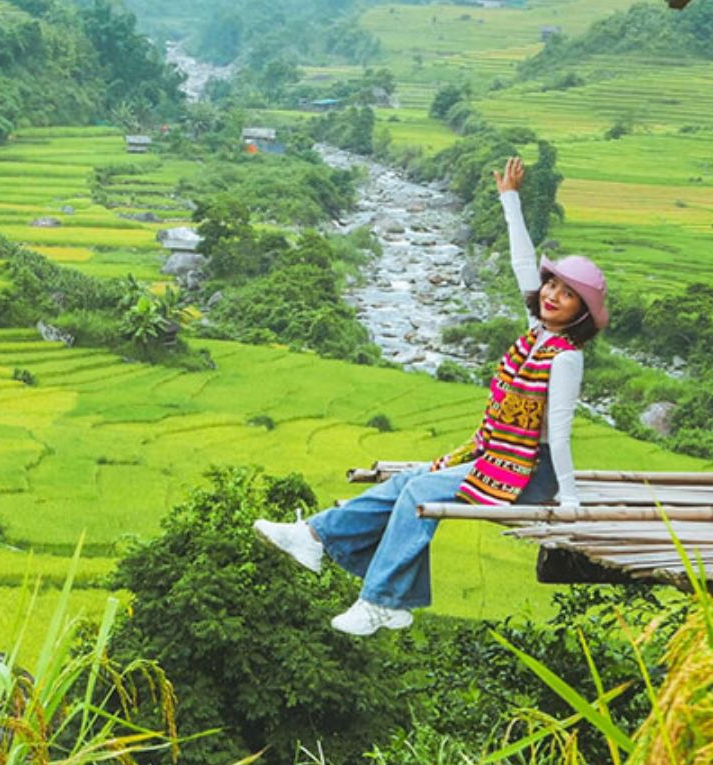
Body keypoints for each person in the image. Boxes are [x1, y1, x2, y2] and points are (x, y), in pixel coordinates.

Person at [254, 155, 609, 636]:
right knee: (411, 482)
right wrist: (509, 199)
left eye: (566, 294)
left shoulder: (566, 356)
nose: (550, 294)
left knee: (421, 488)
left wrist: (569, 497)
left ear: (581, 313)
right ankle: (315, 535)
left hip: (531, 473)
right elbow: (522, 262)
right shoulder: (537, 333)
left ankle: (380, 600)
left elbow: (560, 432)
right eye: (551, 285)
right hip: (499, 457)